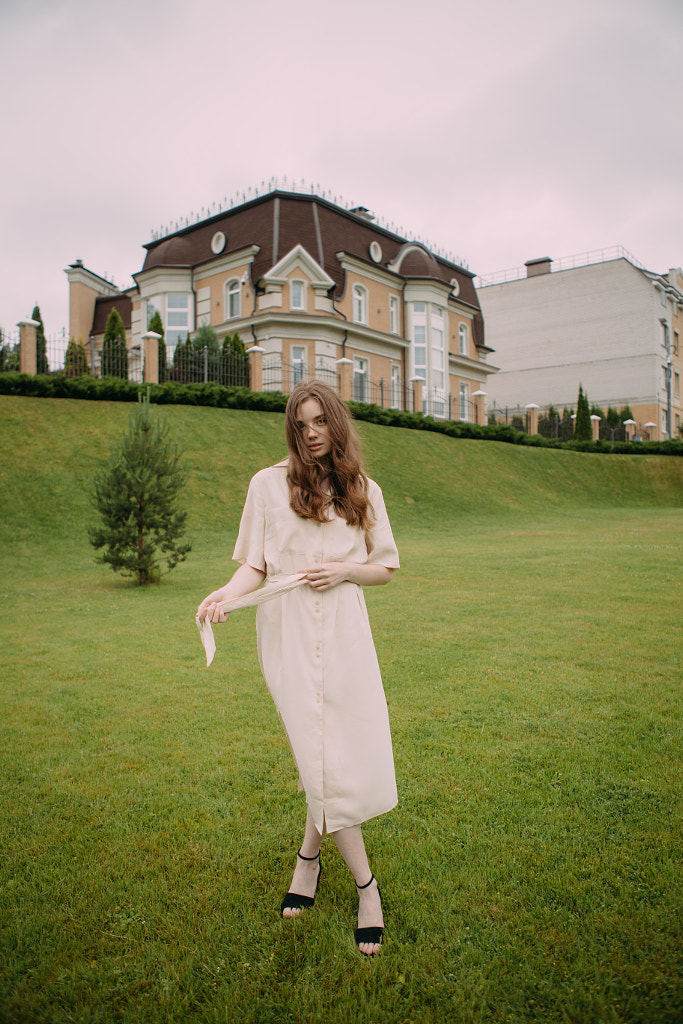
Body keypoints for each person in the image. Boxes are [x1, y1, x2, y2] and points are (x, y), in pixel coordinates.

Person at [196, 379, 399, 956]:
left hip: (343, 631)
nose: (310, 434)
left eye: (319, 422)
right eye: (300, 424)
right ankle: (367, 885)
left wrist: (343, 570)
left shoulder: (364, 491)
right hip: (286, 633)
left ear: (336, 423)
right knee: (317, 753)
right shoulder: (267, 485)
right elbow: (254, 567)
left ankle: (310, 861)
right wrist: (224, 597)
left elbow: (384, 568)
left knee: (329, 756)